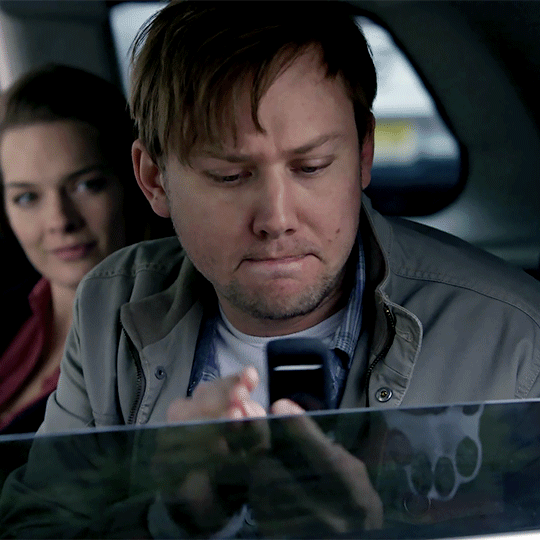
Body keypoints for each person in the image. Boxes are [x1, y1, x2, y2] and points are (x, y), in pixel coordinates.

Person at [2, 1, 540, 537]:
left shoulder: (514, 339)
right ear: (154, 179)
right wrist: (177, 520)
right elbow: (33, 528)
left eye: (312, 166)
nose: (277, 220)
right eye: (230, 176)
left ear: (364, 154)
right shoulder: (110, 307)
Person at [0, 63, 172, 434]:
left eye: (86, 185)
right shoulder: (5, 313)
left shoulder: (167, 343)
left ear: (135, 181)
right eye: (27, 197)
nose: (59, 220)